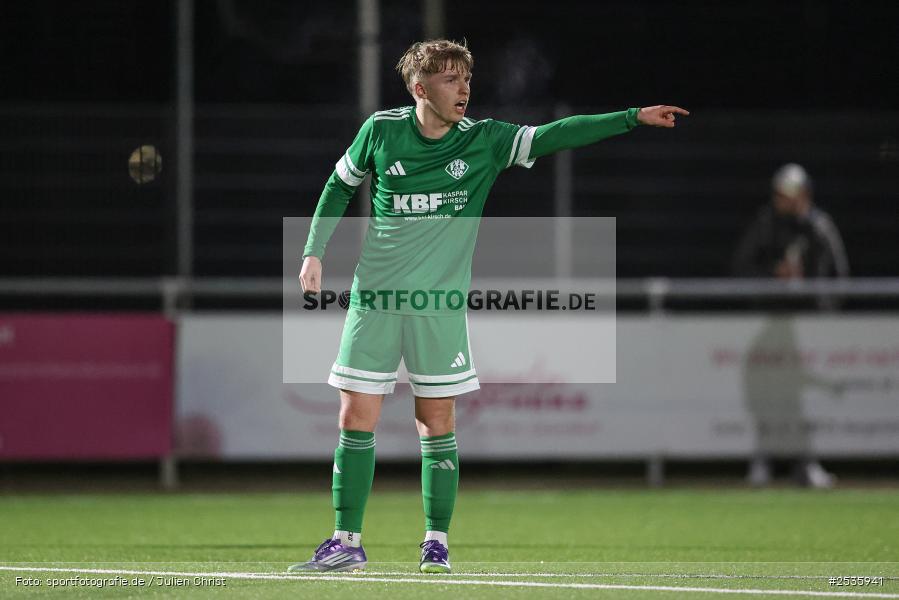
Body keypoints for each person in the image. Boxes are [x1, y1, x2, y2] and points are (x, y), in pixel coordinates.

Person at [290, 39, 687, 574]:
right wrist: (314, 250)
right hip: (375, 298)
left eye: (467, 79)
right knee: (354, 416)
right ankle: (346, 540)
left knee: (436, 422)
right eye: (451, 79)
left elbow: (555, 135)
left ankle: (436, 542)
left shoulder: (485, 140)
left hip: (439, 306)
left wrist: (631, 117)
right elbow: (339, 187)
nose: (464, 89)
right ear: (419, 88)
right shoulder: (381, 130)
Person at [733, 163, 849, 489]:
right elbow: (742, 267)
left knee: (801, 400)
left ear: (805, 195)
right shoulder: (766, 222)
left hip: (809, 324)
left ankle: (806, 464)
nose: (783, 201)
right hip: (773, 323)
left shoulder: (820, 226)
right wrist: (774, 278)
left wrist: (815, 301)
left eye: (790, 195)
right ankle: (764, 460)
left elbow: (839, 278)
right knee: (772, 396)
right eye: (780, 195)